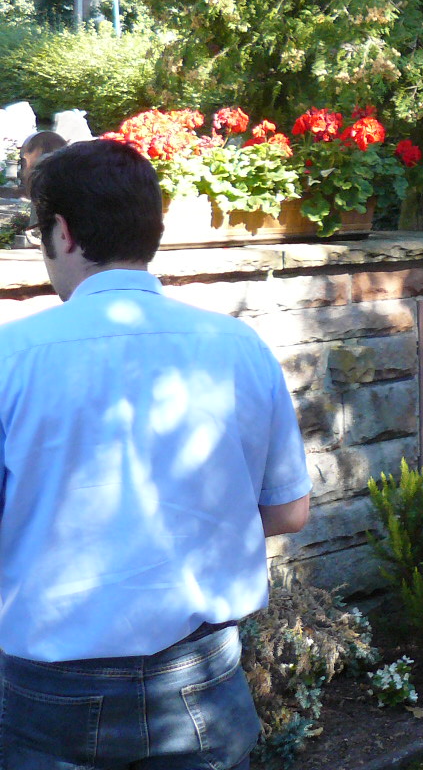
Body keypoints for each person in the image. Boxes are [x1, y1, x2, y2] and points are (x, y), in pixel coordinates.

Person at [0, 138, 311, 767]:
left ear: (62, 232)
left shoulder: (11, 357)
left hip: (51, 687)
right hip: (202, 675)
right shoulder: (239, 348)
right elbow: (288, 511)